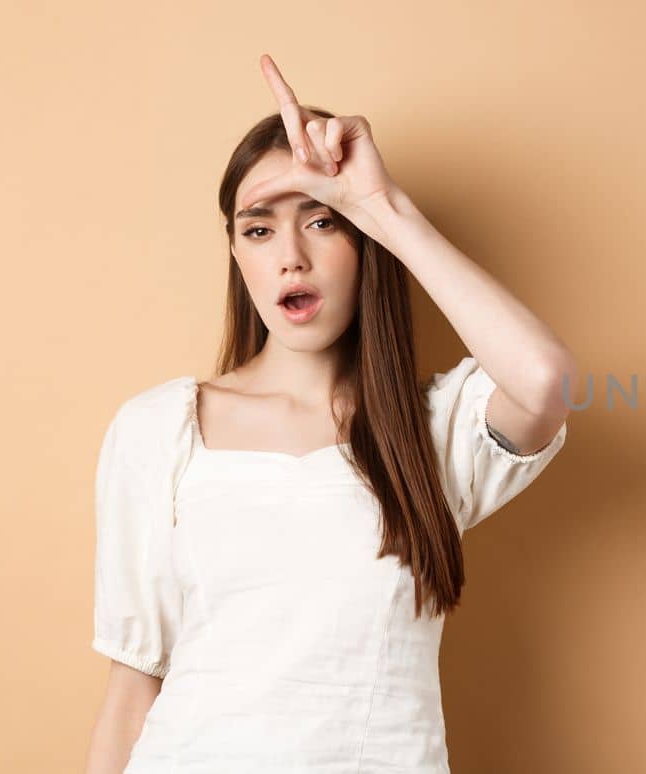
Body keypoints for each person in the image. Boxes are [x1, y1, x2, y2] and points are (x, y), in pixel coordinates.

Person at [82, 54, 573, 773]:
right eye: (258, 230)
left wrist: (378, 205)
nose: (291, 256)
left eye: (322, 222)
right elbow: (133, 688)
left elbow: (546, 381)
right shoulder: (158, 429)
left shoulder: (428, 432)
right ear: (236, 255)